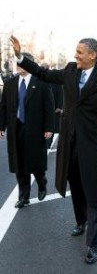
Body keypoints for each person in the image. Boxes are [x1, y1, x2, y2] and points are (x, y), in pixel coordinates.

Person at [10, 36, 97, 264]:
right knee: (75, 186)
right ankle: (81, 221)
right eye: (75, 51)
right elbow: (44, 73)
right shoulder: (69, 71)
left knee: (94, 193)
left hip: (93, 145)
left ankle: (92, 245)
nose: (75, 55)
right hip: (69, 144)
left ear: (92, 55)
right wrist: (20, 56)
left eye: (79, 51)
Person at [0, 52, 55, 209]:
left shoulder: (41, 82)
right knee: (19, 162)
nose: (15, 65)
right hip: (16, 127)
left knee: (35, 160)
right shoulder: (10, 83)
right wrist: (1, 126)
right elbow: (3, 107)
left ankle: (41, 181)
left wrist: (49, 128)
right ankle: (23, 196)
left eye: (18, 62)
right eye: (14, 62)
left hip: (35, 129)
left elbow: (49, 107)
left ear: (28, 64)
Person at [40, 63, 64, 148]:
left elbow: (60, 93)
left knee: (52, 126)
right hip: (43, 107)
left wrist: (59, 106)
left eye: (45, 68)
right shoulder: (39, 79)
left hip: (54, 107)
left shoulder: (54, 79)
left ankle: (49, 141)